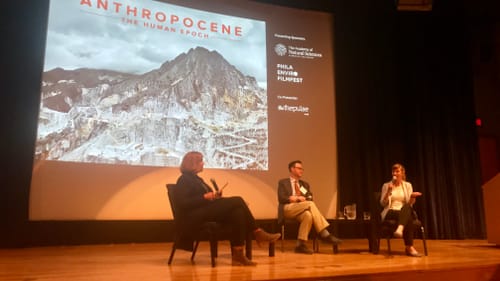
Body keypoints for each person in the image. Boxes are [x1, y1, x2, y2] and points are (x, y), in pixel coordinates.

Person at [173, 151, 281, 266]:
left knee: (237, 212)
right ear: (193, 163)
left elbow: (207, 197)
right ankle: (257, 232)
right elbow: (182, 203)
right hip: (194, 217)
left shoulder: (197, 179)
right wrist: (204, 197)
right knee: (238, 200)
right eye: (200, 161)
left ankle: (238, 255)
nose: (203, 163)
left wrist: (215, 196)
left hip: (204, 211)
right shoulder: (183, 179)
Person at [277, 160, 342, 254]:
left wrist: (298, 198)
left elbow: (309, 197)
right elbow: (281, 198)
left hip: (301, 208)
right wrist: (297, 199)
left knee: (308, 215)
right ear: (292, 169)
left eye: (302, 169)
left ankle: (300, 245)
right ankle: (324, 233)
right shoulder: (283, 182)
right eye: (299, 168)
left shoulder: (304, 185)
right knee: (310, 204)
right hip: (287, 209)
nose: (301, 170)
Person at [380, 163, 423, 257]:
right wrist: (388, 192)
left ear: (402, 173)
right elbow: (383, 204)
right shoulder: (386, 185)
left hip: (404, 211)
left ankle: (400, 228)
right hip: (390, 211)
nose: (394, 173)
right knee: (408, 217)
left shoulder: (407, 185)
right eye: (393, 171)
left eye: (397, 171)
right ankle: (409, 248)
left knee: (407, 208)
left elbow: (410, 203)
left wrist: (412, 197)